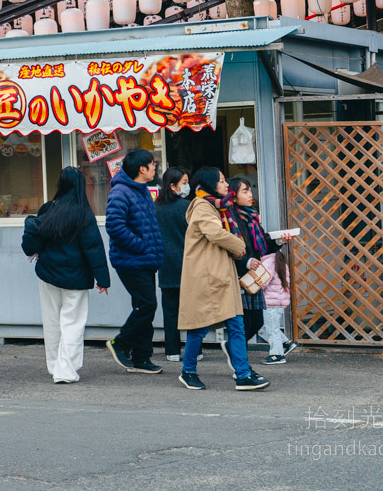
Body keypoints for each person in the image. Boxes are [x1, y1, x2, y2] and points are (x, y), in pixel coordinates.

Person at [177, 167, 269, 391]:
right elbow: (215, 234)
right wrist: (240, 247)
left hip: (221, 275)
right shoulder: (202, 206)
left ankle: (243, 374)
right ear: (210, 184)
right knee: (199, 327)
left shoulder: (219, 206)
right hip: (207, 277)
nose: (226, 185)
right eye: (221, 181)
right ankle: (188, 371)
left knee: (237, 324)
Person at [21, 167, 110, 384]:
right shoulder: (83, 213)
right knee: (72, 323)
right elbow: (94, 248)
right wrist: (103, 279)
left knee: (51, 322)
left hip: (49, 275)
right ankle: (66, 371)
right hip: (76, 279)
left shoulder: (48, 209)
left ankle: (55, 367)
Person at [105, 148, 164, 374]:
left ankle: (142, 358)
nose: (154, 167)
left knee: (143, 308)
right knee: (147, 305)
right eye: (152, 164)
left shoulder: (140, 190)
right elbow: (115, 227)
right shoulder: (120, 192)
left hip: (145, 260)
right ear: (142, 169)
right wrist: (141, 246)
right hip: (131, 261)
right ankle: (120, 343)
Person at [225, 176, 280, 348]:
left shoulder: (252, 216)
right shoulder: (229, 219)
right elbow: (229, 250)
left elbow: (263, 245)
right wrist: (247, 262)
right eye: (245, 191)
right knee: (245, 323)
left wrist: (279, 241)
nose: (250, 194)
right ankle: (238, 358)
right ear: (233, 196)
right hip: (237, 276)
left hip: (252, 278)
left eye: (249, 190)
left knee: (256, 322)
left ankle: (231, 348)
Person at [155, 167, 190, 361]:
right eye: (184, 182)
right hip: (187, 264)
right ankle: (196, 350)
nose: (187, 186)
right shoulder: (187, 206)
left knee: (170, 311)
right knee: (192, 310)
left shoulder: (155, 207)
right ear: (172, 185)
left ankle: (172, 351)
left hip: (165, 264)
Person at [259, 247, 297, 364]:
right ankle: (286, 343)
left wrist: (254, 288)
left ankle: (277, 355)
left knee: (271, 329)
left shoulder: (268, 261)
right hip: (279, 300)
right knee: (268, 327)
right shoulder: (279, 259)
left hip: (271, 300)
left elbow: (263, 281)